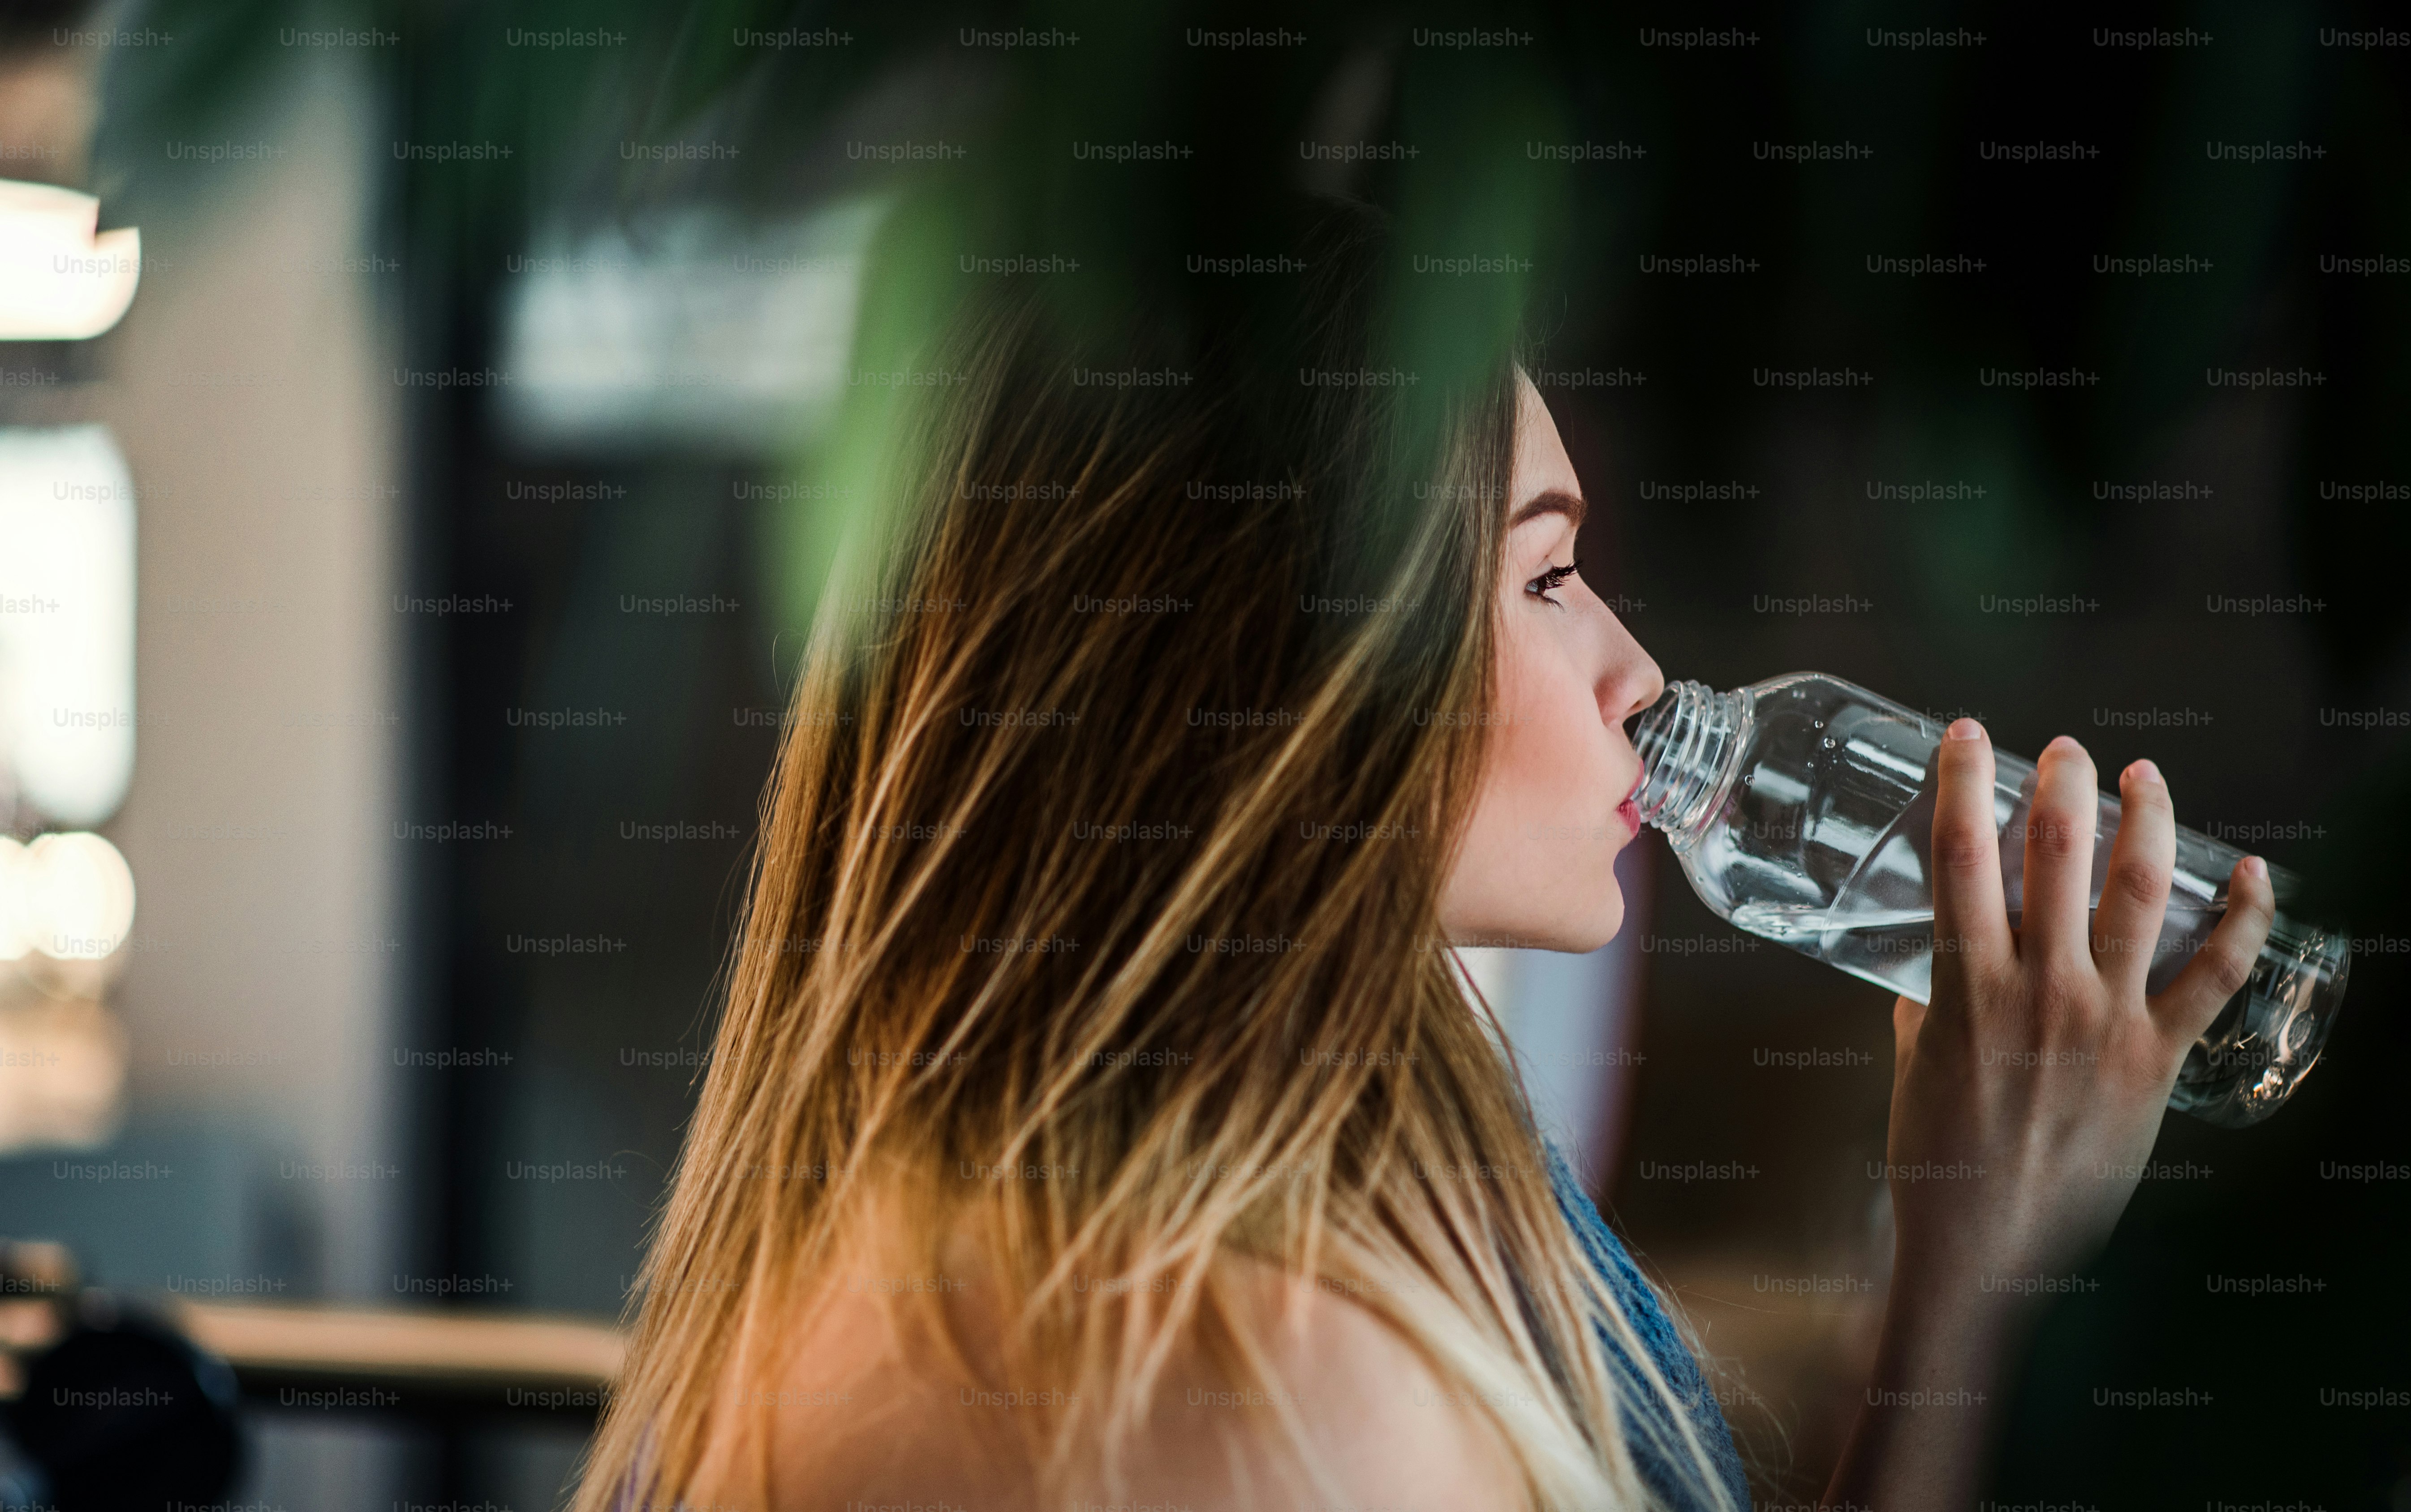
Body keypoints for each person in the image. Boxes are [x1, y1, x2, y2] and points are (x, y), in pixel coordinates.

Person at [571, 197, 2274, 1512]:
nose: (1639, 674)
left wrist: (1962, 1246)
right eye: (1544, 578)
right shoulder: (1247, 1369)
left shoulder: (1354, 1181)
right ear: (1277, 680)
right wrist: (1978, 1287)